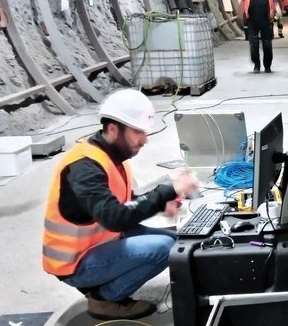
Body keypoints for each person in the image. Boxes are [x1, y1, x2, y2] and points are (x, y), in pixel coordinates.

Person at [41, 89, 199, 320]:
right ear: (113, 129)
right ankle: (104, 299)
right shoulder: (84, 167)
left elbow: (123, 203)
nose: (144, 140)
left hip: (99, 242)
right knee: (164, 248)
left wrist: (161, 203)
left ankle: (105, 284)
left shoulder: (112, 157)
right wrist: (169, 190)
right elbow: (115, 218)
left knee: (176, 243)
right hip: (74, 262)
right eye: (137, 132)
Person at [239, 0, 281, 73]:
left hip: (266, 21)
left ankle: (267, 66)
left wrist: (278, 12)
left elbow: (275, 2)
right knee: (254, 44)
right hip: (252, 21)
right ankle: (256, 64)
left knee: (267, 44)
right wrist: (240, 16)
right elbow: (243, 3)